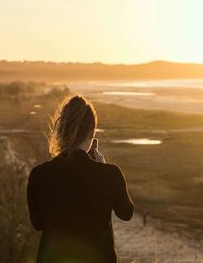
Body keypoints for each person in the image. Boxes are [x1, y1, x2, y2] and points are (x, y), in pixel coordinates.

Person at [27, 95, 134, 263]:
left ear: (61, 130)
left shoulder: (39, 174)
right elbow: (126, 213)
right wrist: (104, 168)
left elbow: (38, 223)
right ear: (92, 132)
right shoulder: (110, 174)